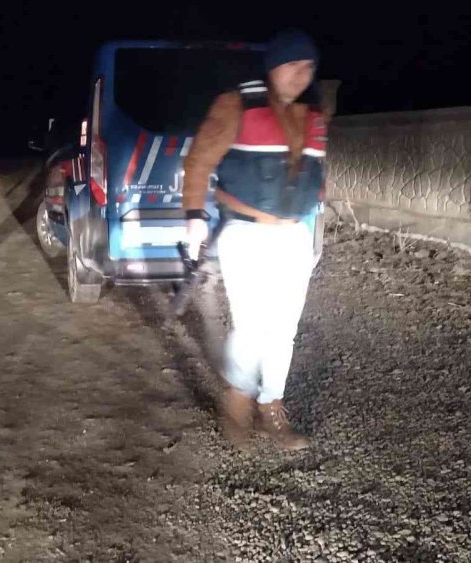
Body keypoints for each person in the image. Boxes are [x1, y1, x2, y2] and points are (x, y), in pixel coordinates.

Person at [181, 29, 328, 451]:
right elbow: (199, 161)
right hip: (245, 234)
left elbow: (318, 177)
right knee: (250, 327)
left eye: (308, 67)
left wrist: (315, 228)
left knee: (284, 329)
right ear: (273, 66)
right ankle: (238, 403)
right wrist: (194, 217)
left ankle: (272, 407)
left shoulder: (313, 115)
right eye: (292, 64)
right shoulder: (236, 105)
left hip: (294, 235)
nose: (301, 74)